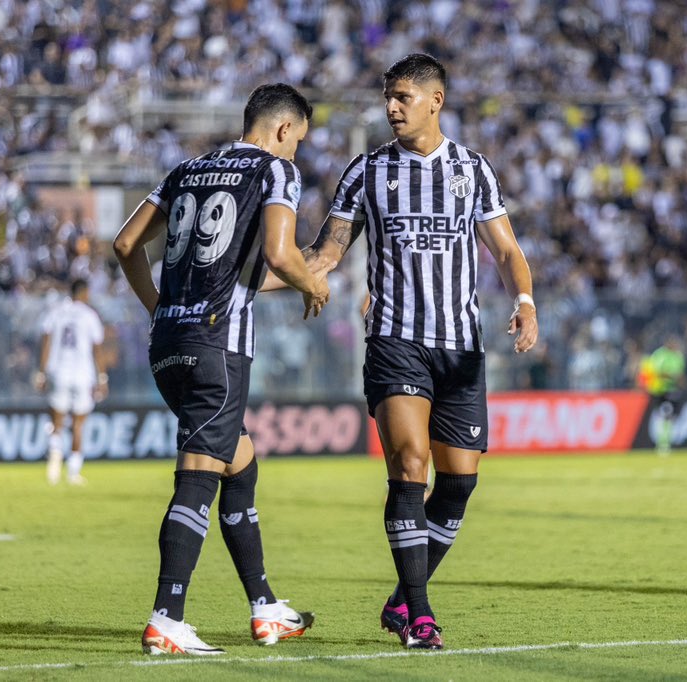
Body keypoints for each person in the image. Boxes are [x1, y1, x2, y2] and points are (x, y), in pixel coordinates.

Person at [302, 53, 539, 650]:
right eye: (388, 96)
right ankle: (421, 616)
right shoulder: (367, 171)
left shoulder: (473, 170)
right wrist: (310, 273)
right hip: (395, 340)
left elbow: (506, 252)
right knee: (410, 464)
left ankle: (402, 596)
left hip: (460, 347)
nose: (391, 107)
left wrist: (526, 301)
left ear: (436, 100)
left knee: (458, 485)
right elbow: (329, 246)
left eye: (403, 97)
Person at [113, 83, 330, 656]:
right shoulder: (276, 172)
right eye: (299, 140)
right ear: (284, 129)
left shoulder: (187, 168)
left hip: (168, 344)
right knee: (199, 471)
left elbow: (125, 243)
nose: (297, 151)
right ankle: (167, 617)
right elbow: (282, 255)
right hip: (219, 345)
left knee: (239, 457)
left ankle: (265, 608)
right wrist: (314, 283)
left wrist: (160, 306)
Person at [35, 278, 107, 485]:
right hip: (83, 375)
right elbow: (97, 349)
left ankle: (54, 459)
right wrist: (102, 377)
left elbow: (46, 343)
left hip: (59, 372)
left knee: (57, 422)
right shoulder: (90, 315)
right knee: (78, 424)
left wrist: (42, 373)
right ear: (84, 293)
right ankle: (73, 472)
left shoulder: (56, 312)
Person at [637, 334, 685, 455]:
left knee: (670, 417)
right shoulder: (660, 355)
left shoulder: (677, 356)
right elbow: (657, 372)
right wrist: (672, 377)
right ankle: (662, 443)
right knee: (665, 414)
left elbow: (680, 374)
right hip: (660, 390)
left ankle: (665, 441)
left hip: (672, 389)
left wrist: (677, 380)